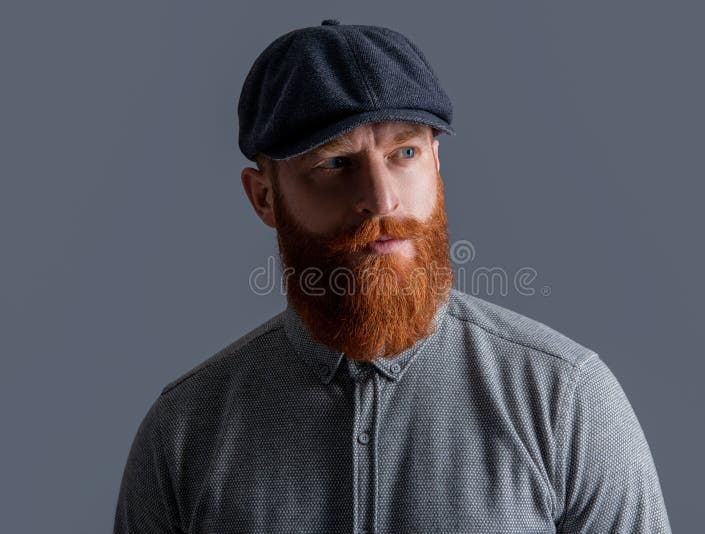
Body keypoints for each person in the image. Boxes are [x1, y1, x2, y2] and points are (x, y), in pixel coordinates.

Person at [114, 19, 672, 533]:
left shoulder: (565, 401)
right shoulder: (186, 431)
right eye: (334, 164)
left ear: (436, 163)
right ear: (264, 197)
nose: (380, 200)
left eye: (404, 152)